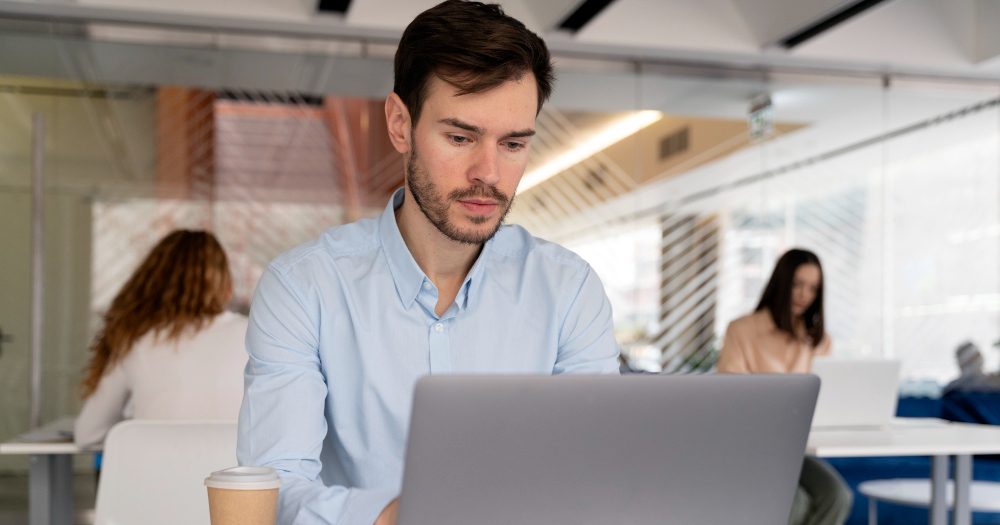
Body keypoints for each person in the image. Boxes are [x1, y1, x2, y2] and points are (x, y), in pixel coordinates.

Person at [236, 1, 620, 524]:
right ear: (400, 124)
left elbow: (592, 476)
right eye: (460, 138)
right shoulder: (305, 286)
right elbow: (271, 488)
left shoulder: (569, 289)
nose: (488, 172)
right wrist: (411, 516)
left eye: (512, 144)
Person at [75, 230, 248, 448]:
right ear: (226, 285)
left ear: (150, 283)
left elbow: (88, 435)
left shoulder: (135, 338)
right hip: (231, 479)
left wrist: (140, 427)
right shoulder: (254, 336)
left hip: (153, 479)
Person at [716, 248, 852, 525]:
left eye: (813, 288)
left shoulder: (819, 341)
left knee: (837, 497)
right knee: (796, 504)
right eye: (797, 284)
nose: (804, 294)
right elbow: (728, 401)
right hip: (751, 448)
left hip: (796, 449)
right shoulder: (741, 330)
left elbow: (827, 403)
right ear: (781, 283)